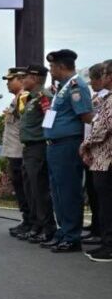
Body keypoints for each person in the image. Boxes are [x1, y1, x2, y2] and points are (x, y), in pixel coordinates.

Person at [41, 49, 93, 253]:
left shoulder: (76, 86)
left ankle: (72, 236)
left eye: (52, 67)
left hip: (68, 144)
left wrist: (86, 144)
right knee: (58, 191)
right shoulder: (61, 88)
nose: (51, 71)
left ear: (62, 66)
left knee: (69, 191)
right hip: (54, 145)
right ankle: (63, 231)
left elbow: (87, 117)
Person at [16, 65, 57, 244]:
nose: (23, 80)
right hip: (29, 148)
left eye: (26, 77)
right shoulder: (31, 98)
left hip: (38, 147)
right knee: (31, 189)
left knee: (39, 189)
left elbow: (49, 121)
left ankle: (47, 228)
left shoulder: (43, 97)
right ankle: (36, 225)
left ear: (35, 78)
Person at [81, 59, 112, 262]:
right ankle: (105, 240)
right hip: (102, 158)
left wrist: (86, 144)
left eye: (105, 73)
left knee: (107, 203)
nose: (103, 77)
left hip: (105, 158)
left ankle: (109, 246)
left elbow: (103, 127)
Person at [1, 67, 32, 237]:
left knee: (24, 187)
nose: (7, 83)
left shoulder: (24, 97)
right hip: (14, 150)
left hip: (20, 151)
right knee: (20, 187)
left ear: (20, 79)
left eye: (10, 80)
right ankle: (27, 219)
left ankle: (29, 220)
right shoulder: (17, 98)